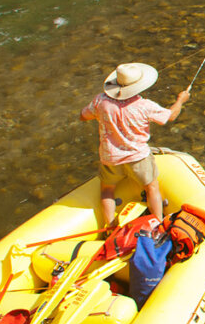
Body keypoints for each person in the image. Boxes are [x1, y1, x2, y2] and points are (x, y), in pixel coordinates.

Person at [79, 62, 189, 225]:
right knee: (151, 188)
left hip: (110, 157)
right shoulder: (144, 106)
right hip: (138, 158)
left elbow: (83, 116)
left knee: (107, 191)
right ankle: (157, 223)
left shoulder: (101, 101)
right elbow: (170, 116)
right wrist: (181, 100)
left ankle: (109, 227)